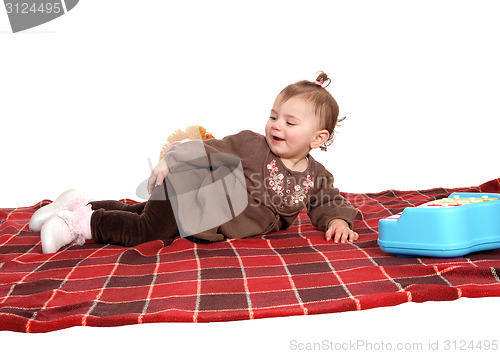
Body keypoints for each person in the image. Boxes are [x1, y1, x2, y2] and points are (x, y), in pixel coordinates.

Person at [30, 72, 359, 254]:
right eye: (273, 116)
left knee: (139, 211)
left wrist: (337, 221)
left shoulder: (316, 176)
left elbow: (329, 201)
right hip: (191, 192)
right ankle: (79, 226)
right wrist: (172, 159)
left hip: (198, 212)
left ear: (318, 138)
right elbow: (211, 148)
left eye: (290, 122)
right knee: (149, 231)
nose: (276, 126)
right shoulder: (252, 145)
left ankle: (75, 205)